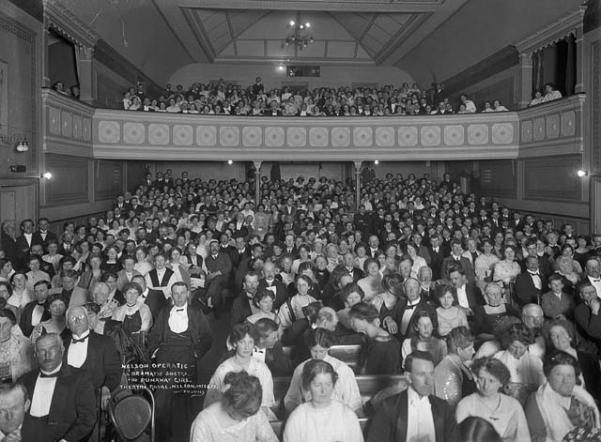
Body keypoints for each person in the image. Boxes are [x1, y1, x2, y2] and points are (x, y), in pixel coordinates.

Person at [147, 281, 213, 440]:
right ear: (171, 295)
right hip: (165, 353)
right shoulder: (164, 312)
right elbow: (154, 334)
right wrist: (155, 350)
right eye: (175, 293)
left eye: (182, 293)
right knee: (165, 384)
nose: (179, 297)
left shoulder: (196, 313)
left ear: (188, 294)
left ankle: (158, 432)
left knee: (164, 387)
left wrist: (197, 353)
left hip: (187, 353)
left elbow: (207, 337)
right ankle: (163, 429)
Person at [19, 333, 97, 442]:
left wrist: (65, 441)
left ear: (62, 350)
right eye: (42, 351)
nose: (47, 355)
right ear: (35, 355)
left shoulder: (80, 378)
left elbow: (87, 419)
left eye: (52, 349)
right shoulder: (24, 380)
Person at [367, 351, 458, 442]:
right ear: (408, 377)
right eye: (422, 374)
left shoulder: (443, 408)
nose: (429, 381)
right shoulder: (389, 407)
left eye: (431, 374)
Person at [525, 351, 601, 442]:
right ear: (548, 376)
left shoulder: (584, 398)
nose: (566, 380)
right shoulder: (537, 400)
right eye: (559, 375)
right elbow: (534, 437)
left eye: (570, 375)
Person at [283, 359, 364, 442]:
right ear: (308, 385)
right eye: (317, 385)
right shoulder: (297, 418)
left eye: (328, 384)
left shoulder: (347, 415)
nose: (323, 390)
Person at [284, 328, 361, 414]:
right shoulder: (300, 369)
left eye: (321, 351)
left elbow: (354, 403)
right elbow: (290, 399)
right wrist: (301, 414)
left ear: (328, 348)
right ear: (309, 348)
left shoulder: (342, 369)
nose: (317, 355)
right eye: (314, 351)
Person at [204, 323, 275, 416]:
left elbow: (265, 404)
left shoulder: (261, 369)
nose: (247, 347)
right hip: (228, 415)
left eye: (250, 342)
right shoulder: (223, 370)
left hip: (256, 415)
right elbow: (211, 401)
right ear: (235, 344)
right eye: (242, 342)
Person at [456, 356, 531, 442]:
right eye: (481, 379)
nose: (485, 385)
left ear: (501, 382)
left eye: (491, 381)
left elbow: (524, 439)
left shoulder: (514, 405)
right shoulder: (465, 405)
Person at [190, 371, 278, 442]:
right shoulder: (204, 423)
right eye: (243, 415)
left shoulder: (253, 412)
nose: (246, 420)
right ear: (230, 405)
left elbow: (271, 439)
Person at [545, 319, 601, 402]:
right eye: (554, 335)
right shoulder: (550, 363)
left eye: (562, 333)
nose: (559, 338)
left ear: (570, 336)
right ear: (551, 341)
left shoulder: (590, 358)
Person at [493, 323, 545, 404]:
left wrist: (525, 388)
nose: (517, 351)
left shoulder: (535, 361)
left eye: (521, 348)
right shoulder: (498, 357)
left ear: (527, 345)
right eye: (514, 347)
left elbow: (543, 388)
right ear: (508, 343)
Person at [348, 302, 401, 374]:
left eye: (353, 320)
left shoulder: (382, 345)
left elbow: (369, 373)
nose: (351, 324)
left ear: (363, 320)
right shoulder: (369, 339)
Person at [433, 326, 476, 408]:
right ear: (459, 350)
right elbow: (449, 406)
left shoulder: (458, 364)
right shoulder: (448, 370)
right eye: (470, 349)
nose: (474, 351)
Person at [0, 309, 34, 383]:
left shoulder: (24, 343)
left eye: (5, 324)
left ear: (12, 325)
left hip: (16, 387)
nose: (1, 328)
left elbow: (29, 370)